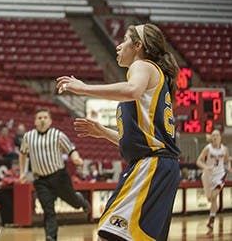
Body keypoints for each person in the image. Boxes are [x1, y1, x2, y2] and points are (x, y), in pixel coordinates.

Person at [57, 23, 181, 241]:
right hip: (160, 165)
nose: (118, 47)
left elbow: (132, 90)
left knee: (111, 232)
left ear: (138, 45)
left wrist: (84, 88)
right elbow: (142, 139)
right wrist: (103, 132)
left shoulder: (142, 65)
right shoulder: (152, 76)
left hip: (151, 165)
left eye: (124, 40)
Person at [19, 108, 90, 241]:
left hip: (59, 177)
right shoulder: (28, 137)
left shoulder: (58, 135)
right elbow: (22, 154)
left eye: (45, 117)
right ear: (35, 121)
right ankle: (50, 237)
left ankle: (80, 201)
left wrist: (76, 158)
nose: (42, 120)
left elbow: (71, 149)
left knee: (73, 202)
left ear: (50, 121)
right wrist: (22, 172)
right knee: (48, 210)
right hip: (41, 180)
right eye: (39, 118)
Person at [196, 129, 231, 230]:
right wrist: (206, 167)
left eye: (217, 135)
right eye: (213, 135)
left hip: (219, 176)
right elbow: (199, 161)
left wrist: (228, 166)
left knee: (214, 196)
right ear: (211, 138)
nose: (215, 137)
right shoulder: (208, 148)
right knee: (210, 198)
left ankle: (211, 220)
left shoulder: (225, 149)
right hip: (207, 176)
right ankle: (212, 216)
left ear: (220, 137)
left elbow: (227, 160)